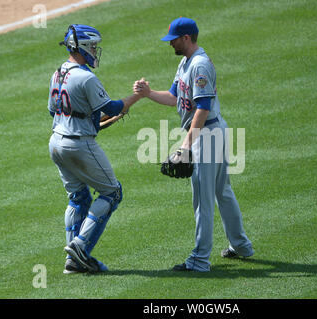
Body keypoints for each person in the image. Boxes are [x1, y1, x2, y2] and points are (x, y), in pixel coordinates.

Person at [134, 17, 254, 272]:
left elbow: (203, 107)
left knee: (203, 198)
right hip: (212, 131)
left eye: (174, 40)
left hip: (206, 134)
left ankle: (199, 260)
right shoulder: (186, 62)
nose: (170, 44)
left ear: (186, 38)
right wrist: (147, 93)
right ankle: (241, 246)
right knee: (223, 192)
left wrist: (186, 144)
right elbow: (175, 97)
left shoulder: (199, 65)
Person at [48, 24, 140, 274]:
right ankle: (80, 246)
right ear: (83, 47)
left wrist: (88, 120)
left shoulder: (57, 73)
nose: (95, 51)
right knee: (112, 193)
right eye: (93, 46)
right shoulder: (86, 77)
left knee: (78, 197)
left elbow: (54, 111)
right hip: (78, 143)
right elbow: (111, 108)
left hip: (56, 141)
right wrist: (137, 96)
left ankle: (73, 261)